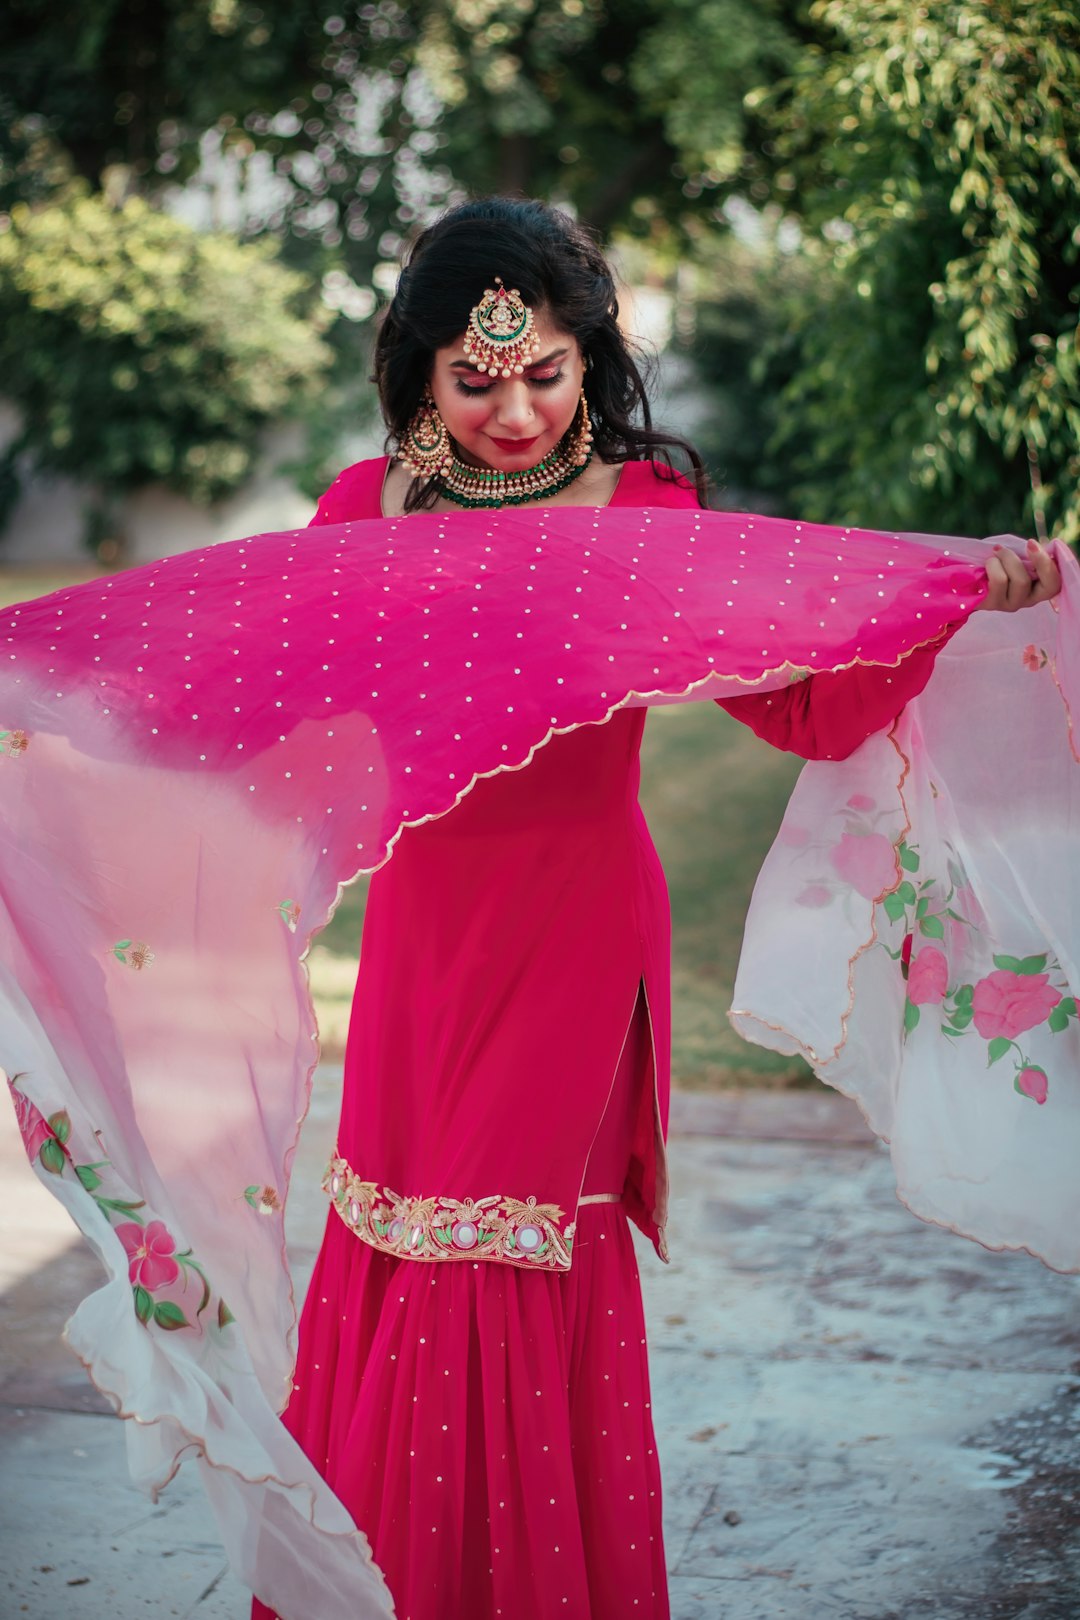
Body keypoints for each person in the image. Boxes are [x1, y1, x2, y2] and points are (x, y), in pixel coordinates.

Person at [247, 197, 1061, 1620]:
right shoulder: (360, 512)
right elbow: (289, 711)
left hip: (572, 933)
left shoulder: (645, 514)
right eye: (476, 378)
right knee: (401, 1233)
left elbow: (801, 693)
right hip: (428, 941)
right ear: (417, 370)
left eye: (548, 372)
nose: (514, 408)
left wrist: (946, 598)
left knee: (502, 1245)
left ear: (592, 360)